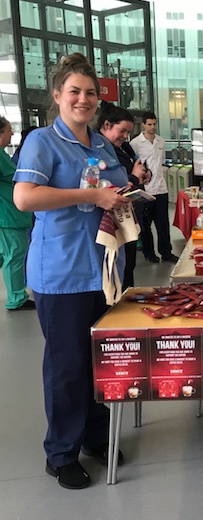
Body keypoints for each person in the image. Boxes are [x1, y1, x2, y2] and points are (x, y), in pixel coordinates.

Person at [13, 53, 132, 489]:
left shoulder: (102, 145)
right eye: (75, 92)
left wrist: (121, 197)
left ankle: (95, 437)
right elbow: (25, 198)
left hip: (103, 271)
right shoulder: (42, 142)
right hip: (62, 273)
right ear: (59, 96)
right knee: (66, 366)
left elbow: (111, 191)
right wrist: (91, 195)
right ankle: (60, 452)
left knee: (100, 360)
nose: (83, 99)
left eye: (91, 93)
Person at [97, 102, 150, 289]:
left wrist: (144, 173)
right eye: (122, 131)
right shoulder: (98, 151)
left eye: (128, 132)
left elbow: (138, 163)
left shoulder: (123, 148)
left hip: (129, 214)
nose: (125, 136)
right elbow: (110, 186)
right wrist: (134, 177)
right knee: (117, 267)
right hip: (112, 220)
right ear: (106, 125)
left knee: (129, 265)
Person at [129, 111, 179, 263]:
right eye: (149, 124)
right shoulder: (135, 143)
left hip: (161, 188)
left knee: (163, 223)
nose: (152, 127)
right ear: (144, 124)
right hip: (144, 190)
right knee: (145, 225)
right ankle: (149, 253)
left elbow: (161, 162)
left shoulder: (161, 141)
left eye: (154, 124)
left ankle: (166, 252)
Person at [0, 117, 34, 311]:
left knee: (9, 254)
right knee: (14, 255)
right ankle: (16, 298)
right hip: (7, 215)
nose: (12, 134)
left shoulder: (3, 155)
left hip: (12, 214)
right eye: (8, 130)